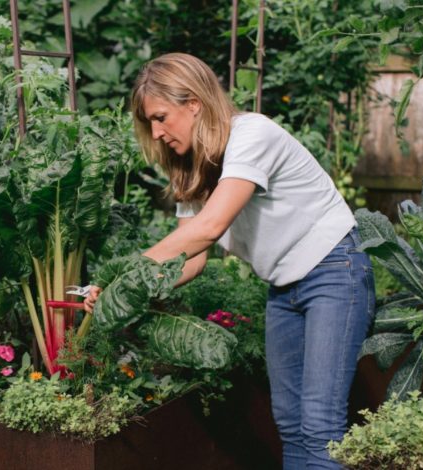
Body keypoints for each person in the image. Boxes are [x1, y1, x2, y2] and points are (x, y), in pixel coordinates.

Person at [83, 52, 375, 469]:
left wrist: (123, 276)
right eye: (150, 122)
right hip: (283, 288)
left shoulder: (251, 135)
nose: (157, 131)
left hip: (334, 271)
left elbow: (210, 227)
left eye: (162, 116)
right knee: (290, 425)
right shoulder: (191, 168)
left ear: (194, 104)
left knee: (319, 425)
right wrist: (125, 294)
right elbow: (192, 260)